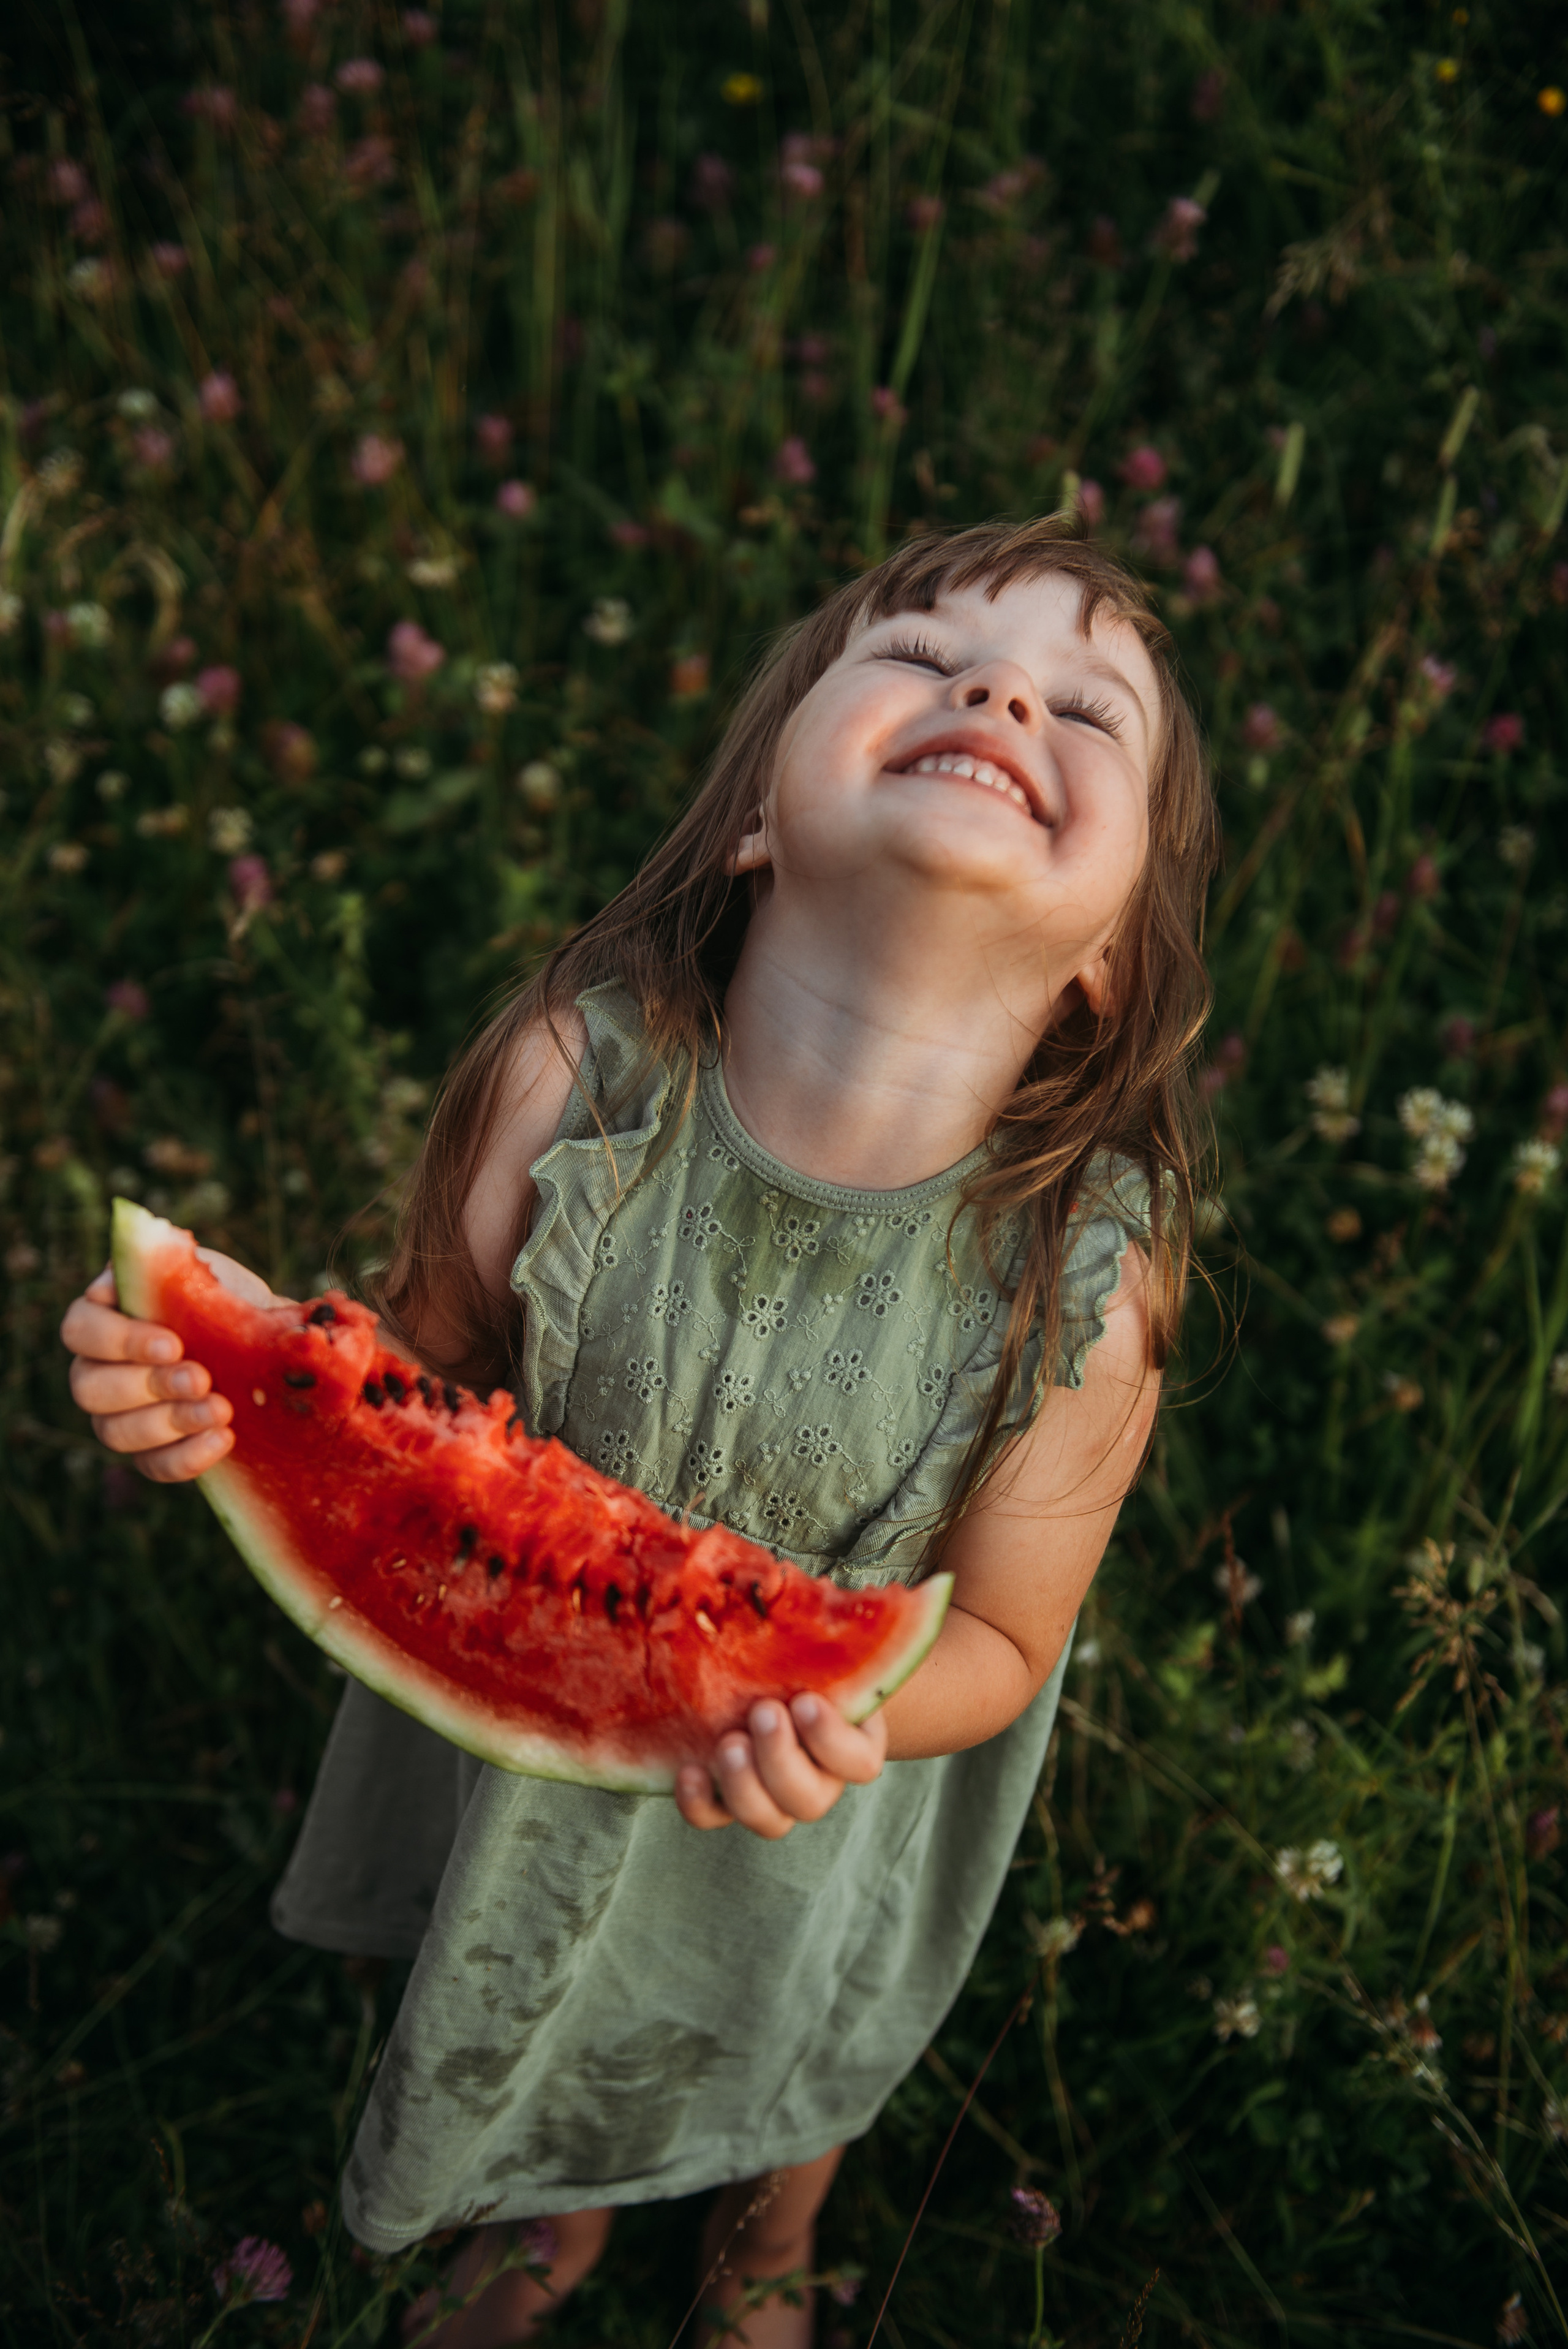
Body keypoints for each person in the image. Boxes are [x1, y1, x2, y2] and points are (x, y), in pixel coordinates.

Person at [61, 513, 1216, 2349]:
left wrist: (846, 1708)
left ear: (1107, 964)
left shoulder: (1083, 1277)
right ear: (760, 810)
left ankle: (769, 2232)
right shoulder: (571, 1077)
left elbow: (1001, 1637)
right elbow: (403, 1395)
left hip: (817, 1791)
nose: (997, 690)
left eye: (1092, 710)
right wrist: (215, 1395)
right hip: (518, 1727)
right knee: (551, 2001)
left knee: (786, 2031)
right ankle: (551, 2216)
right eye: (919, 658)